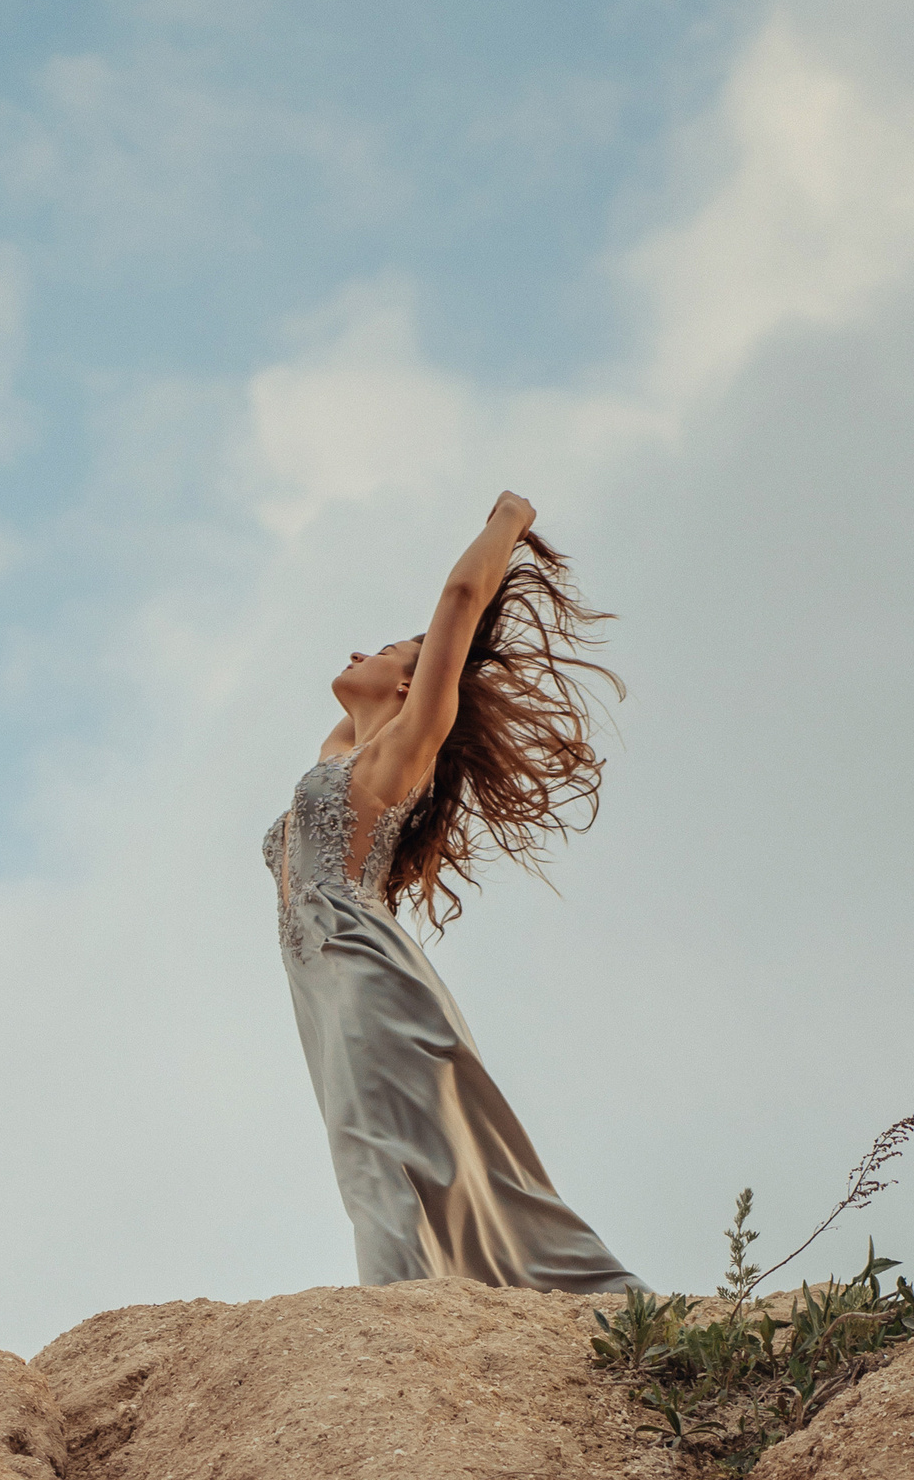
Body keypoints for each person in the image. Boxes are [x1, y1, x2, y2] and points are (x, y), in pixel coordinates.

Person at [264, 489, 636, 1291]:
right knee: (372, 1152)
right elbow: (342, 729)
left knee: (374, 1153)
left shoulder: (403, 750)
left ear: (412, 684)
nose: (364, 649)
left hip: (363, 972)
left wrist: (510, 521)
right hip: (321, 988)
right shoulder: (339, 757)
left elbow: (460, 603)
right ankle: (419, 1309)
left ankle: (391, 1326)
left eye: (392, 648)